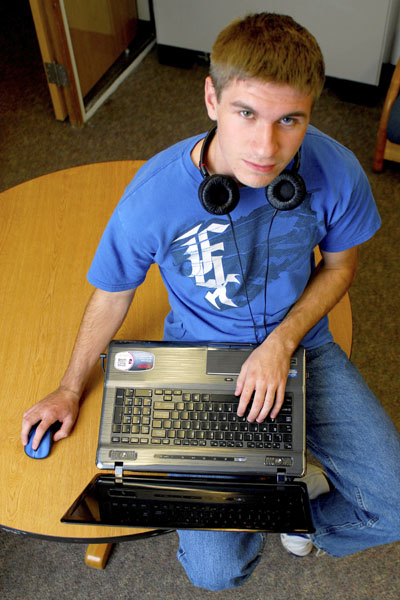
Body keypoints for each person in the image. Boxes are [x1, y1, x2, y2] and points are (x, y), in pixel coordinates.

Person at [21, 12, 400, 591]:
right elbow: (112, 295)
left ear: (309, 114)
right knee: (215, 574)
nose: (266, 146)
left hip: (301, 349)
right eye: (246, 113)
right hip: (202, 358)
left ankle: (302, 516)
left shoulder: (337, 171)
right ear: (212, 98)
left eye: (289, 120)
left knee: (394, 507)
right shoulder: (153, 196)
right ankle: (261, 504)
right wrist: (70, 388)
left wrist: (280, 343)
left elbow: (341, 267)